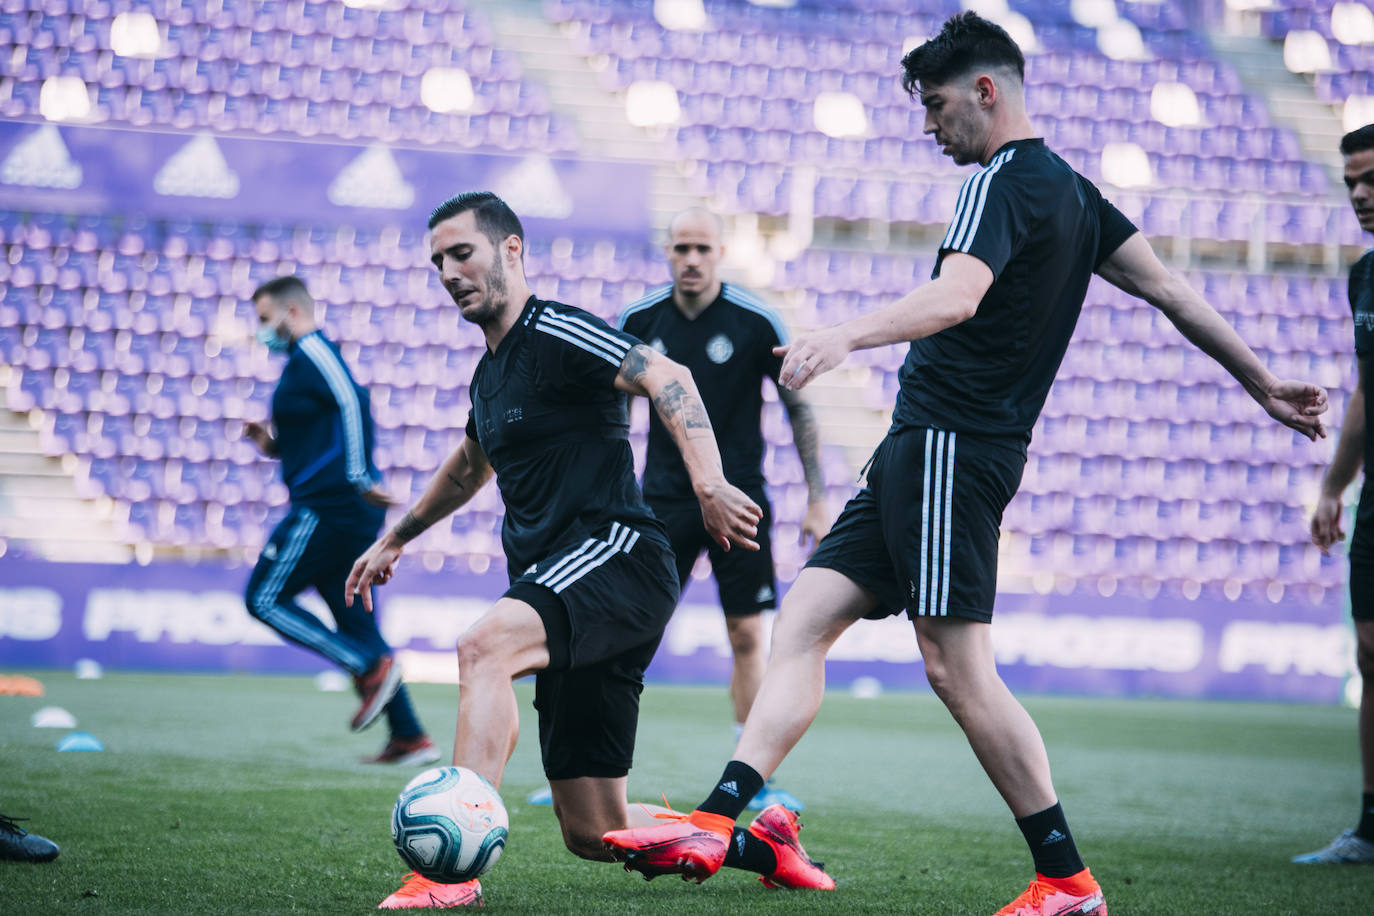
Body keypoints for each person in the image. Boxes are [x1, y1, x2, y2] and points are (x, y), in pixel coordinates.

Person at [603, 13, 1330, 915]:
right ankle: (726, 817)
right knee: (806, 619)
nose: (928, 123)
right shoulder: (1074, 192)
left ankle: (1065, 878)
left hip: (952, 444)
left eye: (937, 104)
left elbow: (956, 297)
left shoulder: (1003, 179)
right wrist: (1261, 380)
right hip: (924, 449)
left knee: (956, 668)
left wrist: (841, 336)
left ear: (987, 92)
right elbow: (1171, 289)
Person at [344, 192, 834, 909]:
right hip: (571, 586)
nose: (448, 272)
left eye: (462, 253)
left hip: (616, 555)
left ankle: (447, 876)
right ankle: (761, 844)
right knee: (594, 829)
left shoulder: (559, 330)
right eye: (437, 262)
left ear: (511, 249)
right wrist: (396, 537)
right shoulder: (490, 374)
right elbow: (469, 467)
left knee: (483, 647)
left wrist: (708, 484)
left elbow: (668, 376)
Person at [600, 207, 828, 813]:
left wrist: (818, 498)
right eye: (682, 248)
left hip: (743, 500)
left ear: (719, 252)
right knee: (629, 630)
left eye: (702, 248)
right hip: (662, 501)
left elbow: (798, 408)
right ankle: (590, 768)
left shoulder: (754, 320)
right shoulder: (638, 320)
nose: (692, 259)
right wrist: (608, 496)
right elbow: (611, 417)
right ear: (668, 252)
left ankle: (751, 774)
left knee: (748, 634)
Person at [243, 276, 438, 766]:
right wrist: (270, 444)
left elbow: (353, 402)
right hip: (335, 503)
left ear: (292, 312)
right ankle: (409, 736)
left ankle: (366, 668)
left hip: (330, 504)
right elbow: (318, 429)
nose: (261, 330)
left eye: (265, 319)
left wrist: (357, 473)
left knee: (264, 598)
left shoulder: (313, 350)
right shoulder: (298, 363)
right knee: (352, 615)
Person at [1299, 122, 1374, 866]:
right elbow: (1365, 392)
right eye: (1351, 182)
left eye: (1372, 178)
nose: (1360, 194)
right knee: (1371, 652)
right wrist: (1334, 486)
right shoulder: (1365, 275)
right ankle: (1370, 828)